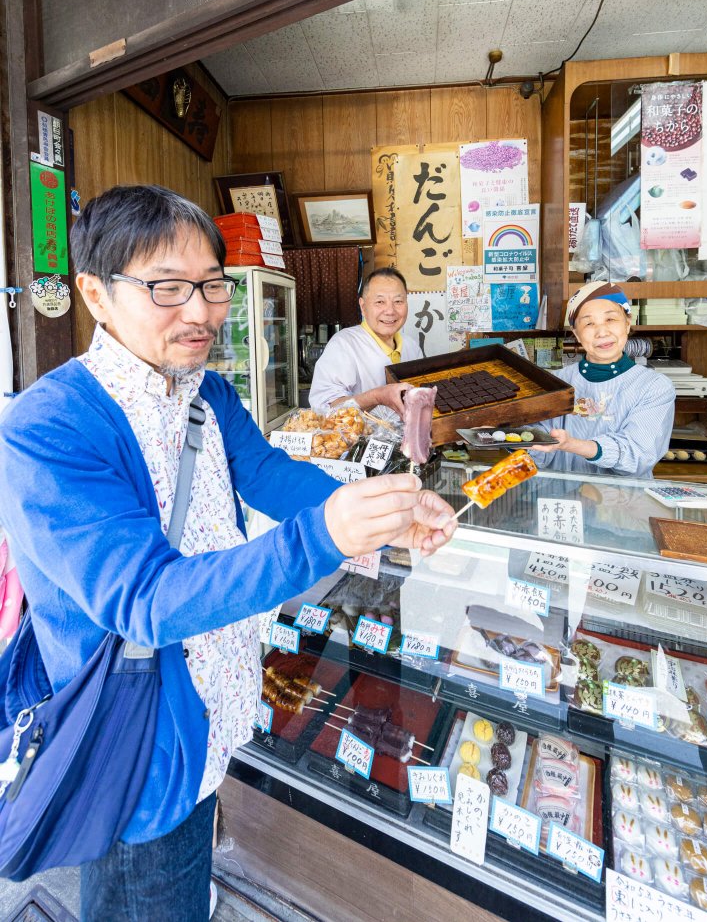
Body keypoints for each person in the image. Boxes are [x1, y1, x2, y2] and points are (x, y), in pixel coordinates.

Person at [0, 186, 457, 922]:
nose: (202, 310)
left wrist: (387, 514)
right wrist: (323, 536)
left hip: (211, 704)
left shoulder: (206, 389)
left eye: (211, 284)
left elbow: (268, 471)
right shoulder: (48, 426)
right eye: (166, 286)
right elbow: (146, 599)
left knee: (152, 882)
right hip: (135, 730)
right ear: (95, 293)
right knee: (149, 885)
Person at [531, 281, 675, 477]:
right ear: (576, 334)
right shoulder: (553, 382)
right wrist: (506, 433)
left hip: (622, 503)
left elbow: (639, 456)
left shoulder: (654, 387)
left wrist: (574, 445)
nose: (602, 332)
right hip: (561, 500)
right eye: (589, 323)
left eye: (610, 320)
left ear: (627, 323)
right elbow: (538, 454)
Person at [309, 267, 420, 419]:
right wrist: (377, 396)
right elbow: (324, 409)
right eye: (380, 302)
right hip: (361, 442)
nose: (390, 311)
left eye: (398, 301)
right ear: (363, 306)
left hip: (407, 440)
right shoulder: (343, 344)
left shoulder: (412, 346)